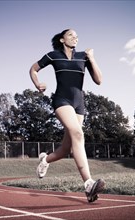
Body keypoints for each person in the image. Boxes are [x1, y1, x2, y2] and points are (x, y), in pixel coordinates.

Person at [29, 29, 105, 203]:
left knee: (67, 149)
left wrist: (92, 58)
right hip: (61, 100)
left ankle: (45, 159)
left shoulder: (83, 57)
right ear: (63, 39)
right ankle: (88, 184)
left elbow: (99, 80)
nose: (75, 37)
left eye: (77, 35)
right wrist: (37, 84)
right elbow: (33, 69)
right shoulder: (53, 56)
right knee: (78, 135)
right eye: (71, 35)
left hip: (79, 103)